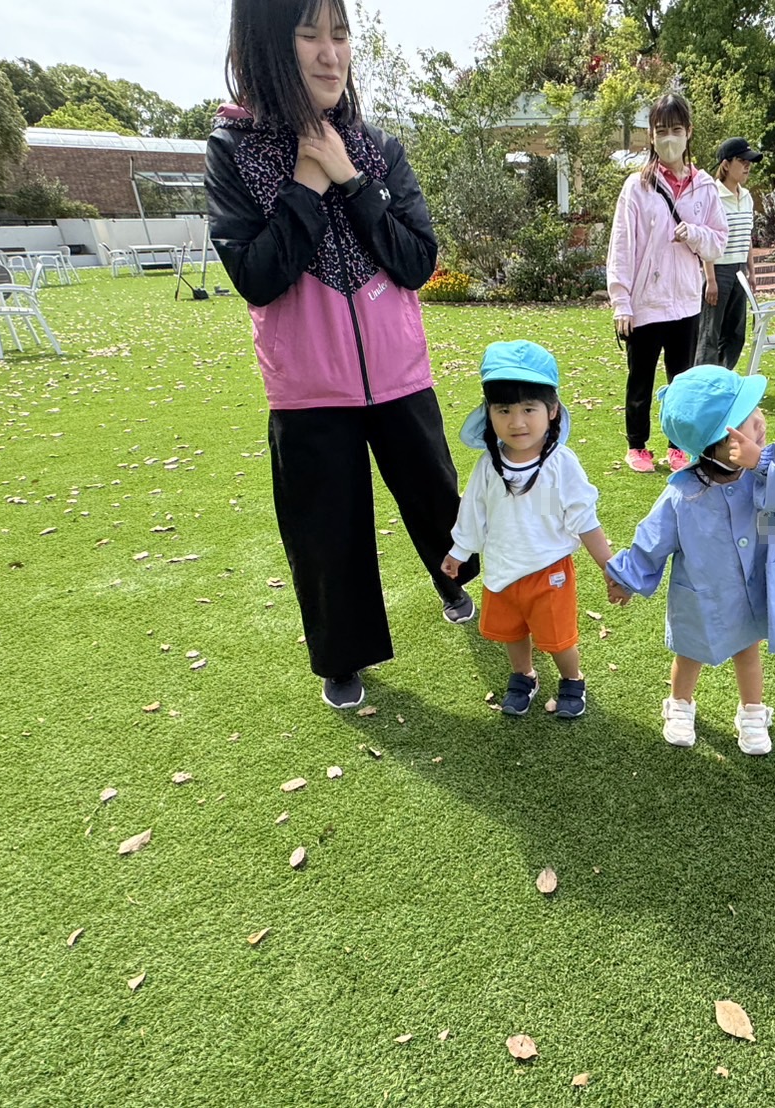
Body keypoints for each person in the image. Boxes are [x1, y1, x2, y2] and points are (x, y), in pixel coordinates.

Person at [206, 0, 479, 711]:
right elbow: (257, 275)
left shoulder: (378, 147)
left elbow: (416, 260)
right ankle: (342, 654)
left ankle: (457, 582)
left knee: (435, 498)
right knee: (326, 529)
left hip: (398, 372)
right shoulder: (233, 151)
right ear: (269, 45)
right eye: (309, 36)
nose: (331, 54)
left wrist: (352, 179)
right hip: (307, 388)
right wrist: (306, 181)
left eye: (340, 34)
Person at [605, 366, 775, 756]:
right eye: (746, 420)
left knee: (748, 651)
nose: (760, 421)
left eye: (756, 410)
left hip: (753, 587)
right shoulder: (684, 494)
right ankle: (679, 704)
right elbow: (653, 538)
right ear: (715, 446)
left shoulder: (768, 472)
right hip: (702, 593)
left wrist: (761, 462)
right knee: (690, 652)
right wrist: (627, 577)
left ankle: (752, 712)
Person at [443, 341, 614, 720]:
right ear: (489, 413)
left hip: (549, 572)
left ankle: (572, 678)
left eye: (529, 409)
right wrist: (459, 551)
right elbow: (473, 511)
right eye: (504, 410)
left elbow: (584, 519)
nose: (516, 422)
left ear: (552, 410)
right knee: (512, 632)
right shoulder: (488, 465)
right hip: (502, 570)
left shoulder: (561, 463)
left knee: (558, 638)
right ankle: (524, 676)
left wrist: (608, 566)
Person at [607, 93, 729, 474]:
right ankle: (637, 445)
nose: (669, 138)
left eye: (676, 129)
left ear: (688, 132)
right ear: (651, 135)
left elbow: (718, 242)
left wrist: (694, 233)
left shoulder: (705, 187)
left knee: (681, 382)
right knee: (640, 379)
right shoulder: (636, 187)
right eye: (661, 131)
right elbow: (622, 246)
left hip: (686, 303)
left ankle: (678, 446)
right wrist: (621, 302)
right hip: (646, 302)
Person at [696, 137, 761, 370]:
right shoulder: (712, 196)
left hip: (739, 271)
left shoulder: (747, 197)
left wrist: (751, 271)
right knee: (710, 333)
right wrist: (711, 279)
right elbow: (706, 239)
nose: (747, 167)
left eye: (749, 162)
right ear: (725, 164)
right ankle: (704, 380)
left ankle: (723, 376)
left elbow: (747, 237)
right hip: (718, 269)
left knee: (735, 334)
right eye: (742, 161)